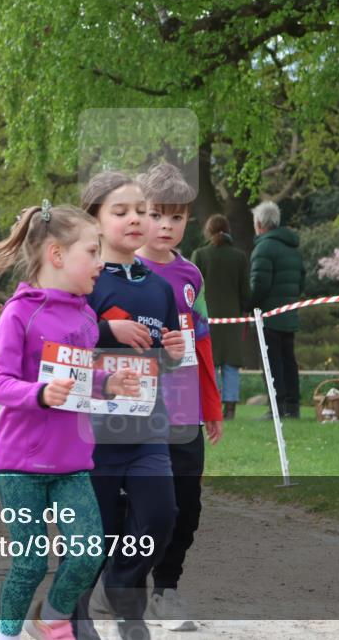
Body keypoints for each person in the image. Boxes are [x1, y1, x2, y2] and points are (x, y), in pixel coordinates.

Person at [0, 201, 140, 640]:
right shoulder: (18, 313)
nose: (101, 264)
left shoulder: (86, 316)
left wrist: (108, 383)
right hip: (20, 467)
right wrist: (39, 394)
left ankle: (52, 618)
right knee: (29, 563)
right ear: (57, 255)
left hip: (73, 464)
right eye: (92, 252)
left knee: (88, 553)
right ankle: (6, 634)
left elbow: (79, 380)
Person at [77, 172, 185, 640]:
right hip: (90, 432)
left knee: (161, 516)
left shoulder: (160, 289)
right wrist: (107, 332)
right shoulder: (82, 282)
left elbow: (163, 359)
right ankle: (75, 613)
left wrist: (175, 354)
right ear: (95, 222)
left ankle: (124, 593)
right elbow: (56, 344)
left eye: (142, 210)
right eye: (121, 212)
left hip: (147, 429)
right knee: (92, 536)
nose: (136, 219)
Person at [135, 164, 224, 632]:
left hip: (185, 408)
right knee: (138, 505)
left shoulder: (192, 276)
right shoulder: (118, 271)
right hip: (134, 412)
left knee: (185, 505)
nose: (166, 226)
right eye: (156, 215)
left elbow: (204, 343)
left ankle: (165, 590)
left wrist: (211, 405)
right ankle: (123, 582)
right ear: (139, 215)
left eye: (176, 217)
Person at [191, 214, 250, 420]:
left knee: (210, 362)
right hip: (233, 319)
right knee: (231, 363)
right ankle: (231, 408)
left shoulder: (200, 255)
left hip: (205, 318)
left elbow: (193, 289)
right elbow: (245, 292)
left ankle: (212, 405)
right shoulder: (240, 257)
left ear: (208, 231)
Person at [249, 201, 305, 419]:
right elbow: (301, 281)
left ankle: (277, 406)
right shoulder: (293, 249)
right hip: (289, 313)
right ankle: (292, 406)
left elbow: (259, 285)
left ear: (260, 224)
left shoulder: (263, 248)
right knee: (289, 361)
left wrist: (249, 304)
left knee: (271, 362)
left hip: (269, 316)